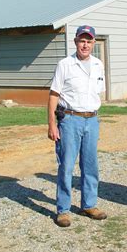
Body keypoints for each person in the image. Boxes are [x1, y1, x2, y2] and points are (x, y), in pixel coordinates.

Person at [47, 25, 107, 227]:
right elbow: (54, 95)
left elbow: (97, 93)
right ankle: (63, 209)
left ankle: (89, 204)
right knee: (66, 166)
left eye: (89, 41)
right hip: (70, 120)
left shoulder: (98, 64)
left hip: (91, 120)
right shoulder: (65, 64)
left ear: (94, 43)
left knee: (90, 165)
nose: (85, 45)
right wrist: (52, 125)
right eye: (82, 40)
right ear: (75, 42)